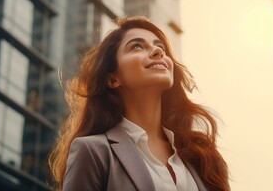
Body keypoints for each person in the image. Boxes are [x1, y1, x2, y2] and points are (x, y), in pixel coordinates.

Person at [48, 16, 230, 191]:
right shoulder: (93, 151)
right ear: (113, 79)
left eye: (161, 48)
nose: (158, 52)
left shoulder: (202, 155)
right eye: (137, 46)